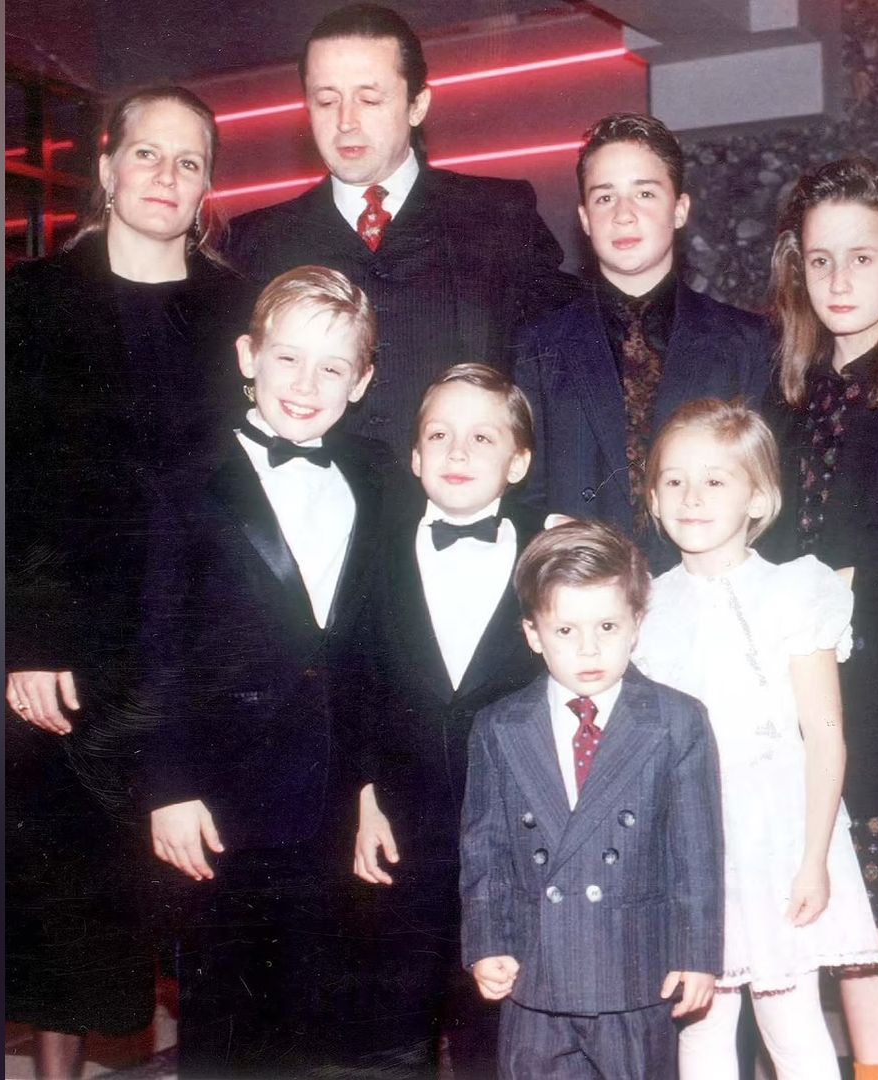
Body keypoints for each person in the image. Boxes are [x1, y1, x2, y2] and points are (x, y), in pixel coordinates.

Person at [4, 83, 251, 1080]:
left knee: (193, 906)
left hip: (196, 646)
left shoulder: (240, 310)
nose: (165, 176)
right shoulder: (25, 302)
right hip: (62, 654)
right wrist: (22, 639)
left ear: (206, 189)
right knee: (59, 907)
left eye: (188, 162)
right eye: (147, 154)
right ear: (104, 168)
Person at [133, 265, 386, 1077]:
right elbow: (152, 641)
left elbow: (379, 649)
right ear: (248, 356)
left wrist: (374, 785)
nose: (306, 385)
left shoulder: (379, 482)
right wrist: (167, 786)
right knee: (223, 1026)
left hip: (334, 798)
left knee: (318, 1023)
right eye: (287, 359)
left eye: (333, 367)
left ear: (363, 381)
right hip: (219, 798)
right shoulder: (185, 479)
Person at [631, 399, 878, 1078]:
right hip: (690, 843)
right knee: (702, 1020)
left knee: (791, 1019)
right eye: (674, 481)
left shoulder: (797, 591)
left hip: (777, 836)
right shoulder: (645, 606)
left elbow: (826, 738)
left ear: (758, 496)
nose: (691, 497)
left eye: (715, 480)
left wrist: (815, 858)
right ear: (653, 497)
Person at [755, 157, 878, 1080]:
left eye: (860, 258)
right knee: (855, 941)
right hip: (819, 710)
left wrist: (874, 582)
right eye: (819, 261)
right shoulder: (790, 396)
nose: (837, 282)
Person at [225, 3, 578, 452]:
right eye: (326, 100)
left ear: (418, 104)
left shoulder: (500, 215)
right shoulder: (255, 241)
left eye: (369, 99)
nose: (346, 121)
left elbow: (559, 376)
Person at [460, 520, 724, 1080]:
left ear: (637, 625)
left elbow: (696, 856)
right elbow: (485, 852)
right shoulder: (498, 726)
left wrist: (698, 955)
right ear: (533, 633)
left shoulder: (677, 721)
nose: (589, 649)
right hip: (535, 976)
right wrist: (486, 944)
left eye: (607, 625)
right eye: (566, 631)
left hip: (634, 974)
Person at [343, 363, 546, 1077]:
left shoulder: (546, 567)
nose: (458, 454)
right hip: (398, 832)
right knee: (390, 1025)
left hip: (514, 851)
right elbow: (354, 683)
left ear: (517, 462)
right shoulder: (370, 553)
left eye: (483, 438)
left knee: (497, 1032)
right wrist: (364, 800)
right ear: (414, 456)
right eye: (440, 435)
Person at [515, 113, 775, 573]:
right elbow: (523, 495)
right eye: (605, 197)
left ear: (680, 209)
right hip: (585, 613)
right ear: (584, 219)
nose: (623, 213)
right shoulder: (537, 345)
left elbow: (770, 495)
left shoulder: (749, 343)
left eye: (645, 193)